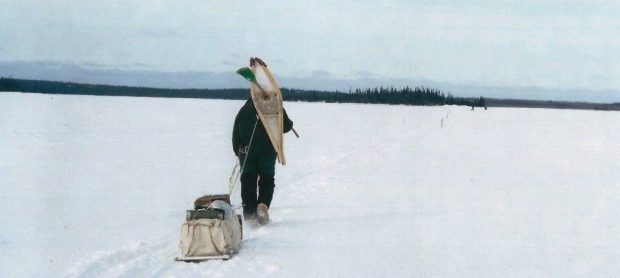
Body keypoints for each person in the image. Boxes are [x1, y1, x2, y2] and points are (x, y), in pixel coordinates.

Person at [232, 97, 293, 220]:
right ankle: (263, 205)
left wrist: (237, 151)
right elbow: (286, 126)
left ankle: (249, 212)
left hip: (247, 153)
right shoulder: (275, 107)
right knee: (267, 179)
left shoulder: (244, 110)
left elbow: (236, 134)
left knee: (248, 180)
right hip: (268, 152)